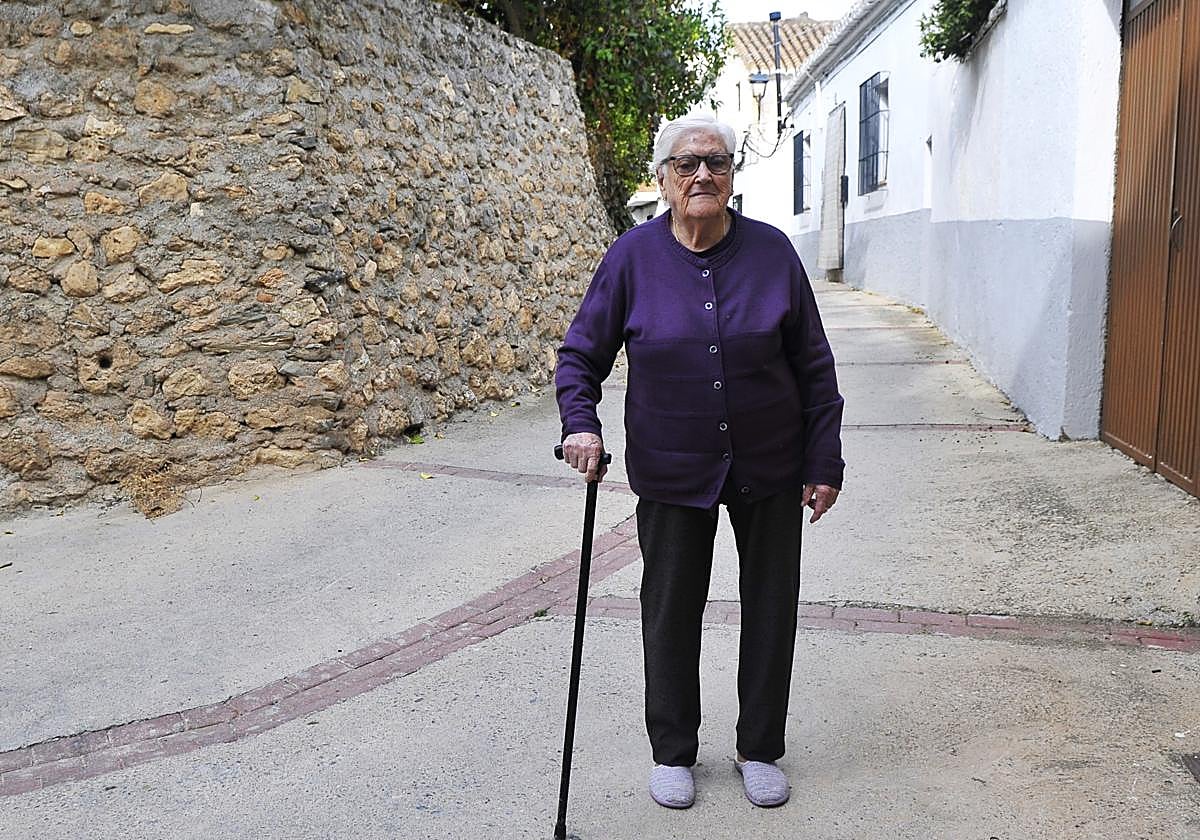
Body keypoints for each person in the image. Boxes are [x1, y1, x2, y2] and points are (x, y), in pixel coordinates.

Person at [555, 114, 844, 810]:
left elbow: (813, 365)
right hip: (671, 465)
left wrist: (824, 459)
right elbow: (580, 356)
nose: (703, 175)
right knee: (670, 611)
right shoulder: (632, 258)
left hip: (770, 464)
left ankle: (759, 747)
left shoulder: (773, 254)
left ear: (733, 175)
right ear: (663, 179)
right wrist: (580, 424)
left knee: (770, 607)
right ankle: (673, 751)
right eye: (686, 164)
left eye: (716, 162)